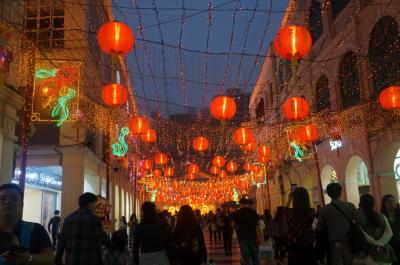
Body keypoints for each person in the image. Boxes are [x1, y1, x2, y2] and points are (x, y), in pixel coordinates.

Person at [0, 183, 53, 265]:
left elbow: (50, 259)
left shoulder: (36, 229)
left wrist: (29, 258)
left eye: (14, 198)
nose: (8, 202)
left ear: (22, 205)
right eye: (2, 198)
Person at [55, 192, 111, 265]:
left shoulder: (68, 219)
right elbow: (103, 238)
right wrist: (114, 247)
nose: (96, 206)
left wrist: (58, 258)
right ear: (90, 204)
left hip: (72, 260)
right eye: (95, 203)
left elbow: (62, 241)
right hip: (91, 260)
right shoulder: (94, 219)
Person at [317, 183, 357, 265]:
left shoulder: (324, 210)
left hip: (333, 244)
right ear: (340, 192)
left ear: (328, 194)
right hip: (348, 242)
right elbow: (359, 222)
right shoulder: (350, 206)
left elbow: (319, 228)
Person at [357, 194, 397, 265]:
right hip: (384, 251)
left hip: (370, 252)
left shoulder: (359, 219)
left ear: (360, 205)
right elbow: (389, 233)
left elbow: (363, 235)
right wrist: (380, 243)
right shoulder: (381, 216)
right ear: (373, 204)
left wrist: (375, 243)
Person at [284, 187, 316, 265]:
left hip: (295, 245)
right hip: (308, 244)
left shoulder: (291, 214)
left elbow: (284, 212)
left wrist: (289, 200)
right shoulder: (311, 212)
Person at [232, 197, 260, 265]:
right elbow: (258, 223)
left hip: (242, 237)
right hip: (252, 236)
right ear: (247, 203)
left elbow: (233, 224)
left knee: (245, 257)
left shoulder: (237, 213)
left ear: (241, 204)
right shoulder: (253, 212)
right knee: (255, 256)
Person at [381, 194, 400, 264]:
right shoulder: (382, 217)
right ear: (384, 204)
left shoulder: (398, 214)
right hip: (391, 245)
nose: (391, 204)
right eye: (388, 202)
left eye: (393, 201)